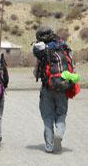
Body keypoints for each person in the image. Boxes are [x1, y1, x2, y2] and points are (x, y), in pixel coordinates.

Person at [33, 26, 77, 154]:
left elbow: (36, 70)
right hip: (63, 86)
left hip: (47, 88)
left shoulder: (41, 49)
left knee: (47, 117)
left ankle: (49, 146)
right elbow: (72, 65)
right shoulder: (63, 46)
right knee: (61, 115)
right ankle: (59, 134)